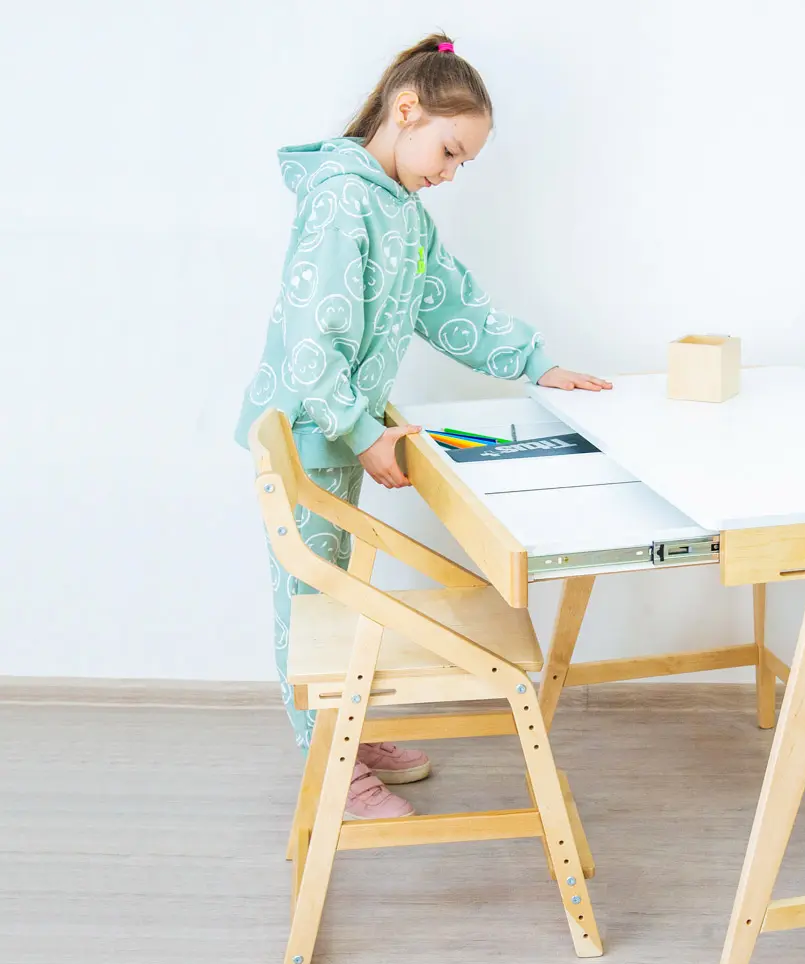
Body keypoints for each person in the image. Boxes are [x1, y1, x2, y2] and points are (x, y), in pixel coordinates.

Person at [235, 32, 612, 819]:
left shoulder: (402, 211)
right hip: (309, 435)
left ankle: (344, 730)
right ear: (405, 111)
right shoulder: (343, 200)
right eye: (449, 151)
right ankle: (325, 760)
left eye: (462, 163)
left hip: (335, 437)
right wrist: (360, 430)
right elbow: (313, 339)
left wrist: (534, 362)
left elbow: (448, 302)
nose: (449, 173)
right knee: (313, 598)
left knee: (339, 593)